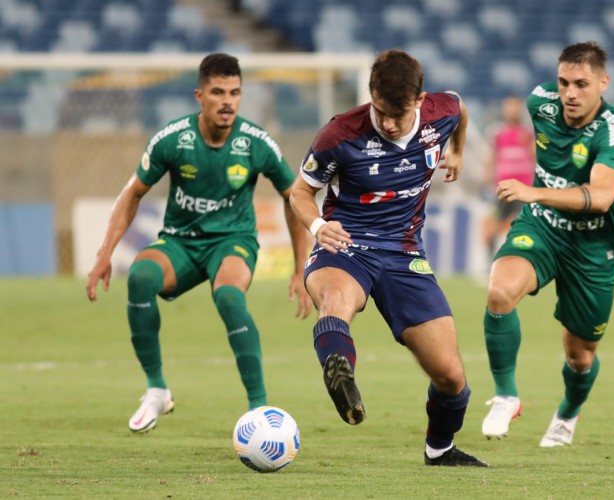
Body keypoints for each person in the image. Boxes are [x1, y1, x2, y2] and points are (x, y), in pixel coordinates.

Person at [85, 53, 313, 433]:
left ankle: (259, 408)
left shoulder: (257, 143)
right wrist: (104, 254)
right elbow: (131, 194)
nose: (227, 101)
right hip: (180, 242)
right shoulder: (174, 139)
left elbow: (295, 198)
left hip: (233, 241)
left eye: (235, 92)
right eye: (218, 92)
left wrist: (300, 265)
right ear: (199, 96)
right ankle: (157, 389)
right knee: (140, 276)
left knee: (228, 296)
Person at [289, 49, 488, 467]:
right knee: (336, 304)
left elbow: (462, 109)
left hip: (404, 254)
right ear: (371, 95)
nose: (388, 122)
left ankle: (440, 450)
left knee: (452, 377)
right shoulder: (339, 135)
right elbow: (299, 193)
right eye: (380, 110)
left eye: (397, 113)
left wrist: (457, 151)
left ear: (419, 100)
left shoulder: (442, 113)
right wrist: (316, 228)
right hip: (346, 245)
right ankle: (340, 372)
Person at [481, 41, 614, 446]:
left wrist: (535, 192)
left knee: (579, 355)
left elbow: (600, 197)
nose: (569, 93)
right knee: (498, 292)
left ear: (603, 83)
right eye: (564, 82)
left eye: (581, 84)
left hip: (590, 249)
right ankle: (506, 395)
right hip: (543, 228)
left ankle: (567, 414)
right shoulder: (540, 102)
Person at [482, 95, 535, 257]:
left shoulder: (528, 133)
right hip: (502, 188)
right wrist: (487, 179)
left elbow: (536, 157)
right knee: (493, 225)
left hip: (524, 188)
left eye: (515, 108)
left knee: (519, 224)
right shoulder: (498, 133)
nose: (512, 111)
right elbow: (492, 157)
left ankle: (519, 259)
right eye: (508, 108)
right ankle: (489, 261)